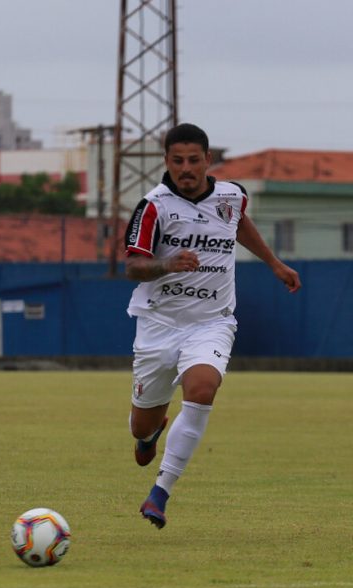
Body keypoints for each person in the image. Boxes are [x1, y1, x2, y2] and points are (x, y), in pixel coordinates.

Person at [124, 123, 301, 529]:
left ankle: (160, 493)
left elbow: (238, 223)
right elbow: (132, 266)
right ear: (166, 162)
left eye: (193, 160)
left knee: (203, 388)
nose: (186, 168)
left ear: (207, 159)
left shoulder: (231, 195)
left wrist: (274, 263)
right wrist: (167, 263)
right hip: (158, 325)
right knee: (141, 424)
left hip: (211, 322)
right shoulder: (153, 206)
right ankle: (148, 435)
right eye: (177, 161)